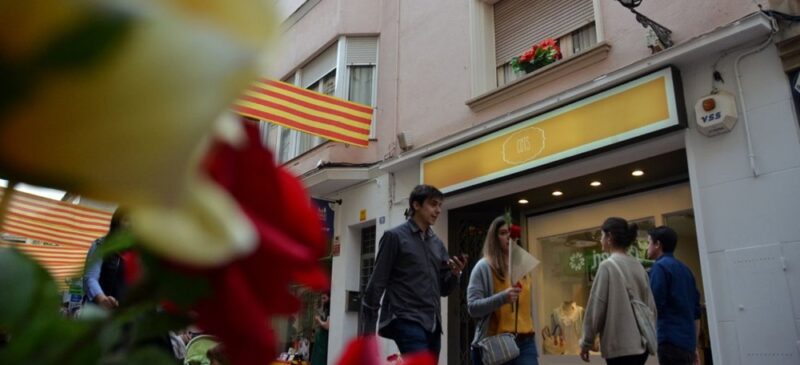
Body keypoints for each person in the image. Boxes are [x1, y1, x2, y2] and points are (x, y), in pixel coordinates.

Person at [362, 184, 466, 361]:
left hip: (433, 323)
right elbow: (377, 283)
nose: (438, 210)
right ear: (416, 205)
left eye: (440, 205)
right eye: (433, 204)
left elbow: (444, 289)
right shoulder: (394, 237)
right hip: (405, 318)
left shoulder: (438, 244)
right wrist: (368, 334)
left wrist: (455, 274)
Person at [579, 217, 656, 365]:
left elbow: (596, 308)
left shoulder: (606, 266)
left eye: (601, 235)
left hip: (618, 346)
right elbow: (651, 306)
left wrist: (586, 342)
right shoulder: (638, 266)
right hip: (641, 346)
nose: (600, 239)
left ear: (610, 237)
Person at [467, 215, 539, 365]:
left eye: (511, 232)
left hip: (526, 341)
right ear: (494, 238)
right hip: (496, 343)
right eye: (503, 233)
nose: (508, 237)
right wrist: (502, 298)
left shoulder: (523, 267)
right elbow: (473, 308)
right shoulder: (484, 267)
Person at [646, 226, 701, 365]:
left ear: (658, 244)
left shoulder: (659, 268)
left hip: (669, 340)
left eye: (648, 242)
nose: (647, 247)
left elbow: (654, 306)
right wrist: (694, 345)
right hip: (687, 343)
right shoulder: (686, 270)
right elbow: (696, 313)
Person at [83, 209, 129, 309]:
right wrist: (102, 299)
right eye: (127, 219)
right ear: (117, 221)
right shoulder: (101, 244)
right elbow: (90, 278)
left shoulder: (140, 253)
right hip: (97, 310)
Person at [310, 292, 330, 364]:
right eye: (322, 298)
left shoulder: (330, 310)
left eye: (324, 298)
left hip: (323, 340)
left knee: (320, 359)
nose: (323, 300)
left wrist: (318, 320)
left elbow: (327, 326)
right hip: (320, 339)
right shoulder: (326, 309)